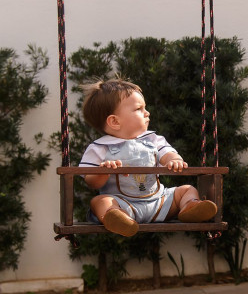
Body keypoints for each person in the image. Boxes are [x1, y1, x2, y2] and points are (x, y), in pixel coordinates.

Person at [78, 78, 217, 237]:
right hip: (123, 205)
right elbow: (91, 182)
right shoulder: (99, 148)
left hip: (159, 202)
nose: (147, 112)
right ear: (114, 121)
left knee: (186, 190)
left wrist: (174, 160)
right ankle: (116, 217)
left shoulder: (153, 139)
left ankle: (190, 206)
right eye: (139, 108)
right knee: (100, 201)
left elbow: (167, 153)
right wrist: (102, 172)